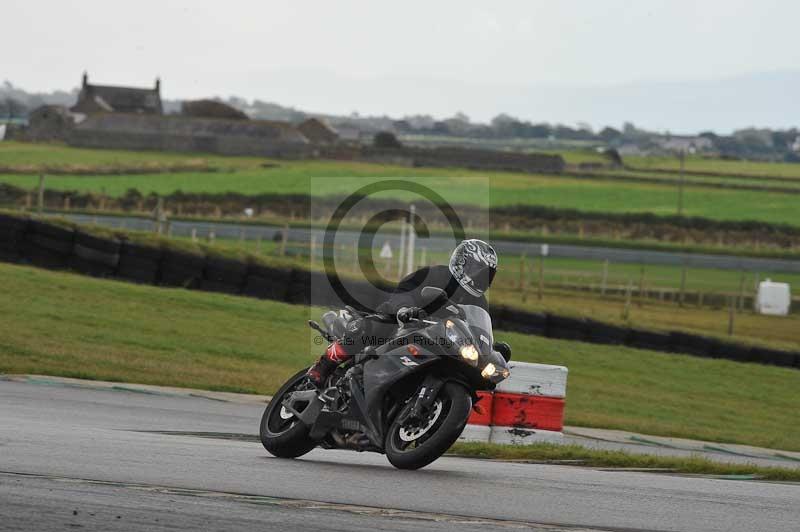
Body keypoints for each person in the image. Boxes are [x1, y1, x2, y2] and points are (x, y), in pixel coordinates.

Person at [307, 239, 506, 386]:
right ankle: (323, 365)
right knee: (374, 327)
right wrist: (404, 308)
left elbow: (479, 326)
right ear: (462, 263)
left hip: (439, 343)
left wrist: (488, 350)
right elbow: (405, 292)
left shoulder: (479, 301)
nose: (480, 279)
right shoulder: (435, 274)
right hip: (405, 323)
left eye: (487, 275)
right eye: (477, 271)